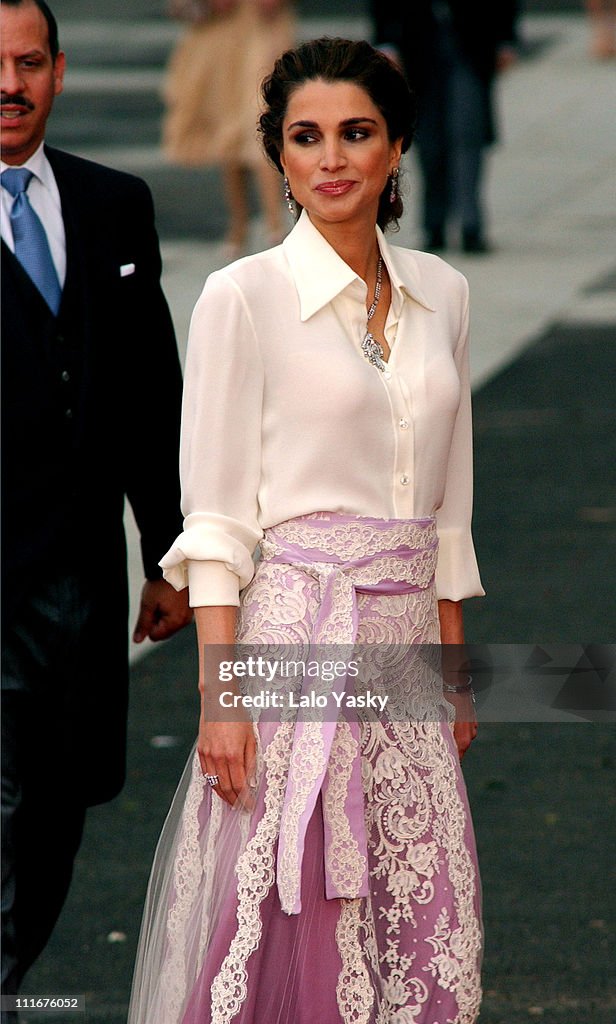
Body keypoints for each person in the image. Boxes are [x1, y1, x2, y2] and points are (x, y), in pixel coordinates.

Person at [128, 37, 484, 1024]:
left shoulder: (443, 292)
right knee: (292, 931)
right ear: (278, 157)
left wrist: (455, 668)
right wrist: (220, 700)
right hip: (292, 648)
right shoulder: (241, 299)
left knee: (416, 924)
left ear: (397, 146)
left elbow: (449, 506)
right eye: (305, 137)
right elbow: (215, 520)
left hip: (407, 654)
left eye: (355, 133)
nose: (330, 158)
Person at [0, 0, 192, 1007]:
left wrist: (168, 552)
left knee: (60, 808)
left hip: (81, 576)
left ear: (60, 71)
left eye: (29, 63)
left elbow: (148, 391)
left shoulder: (113, 203)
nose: (9, 86)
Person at [371, 0, 519, 253]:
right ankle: (434, 223)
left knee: (467, 133)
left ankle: (470, 222)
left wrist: (506, 37)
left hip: (472, 42)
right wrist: (385, 39)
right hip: (417, 44)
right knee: (429, 142)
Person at [163, 0, 295, 259]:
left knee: (260, 119)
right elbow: (180, 9)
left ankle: (275, 224)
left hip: (259, 32)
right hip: (217, 38)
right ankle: (241, 225)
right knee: (227, 134)